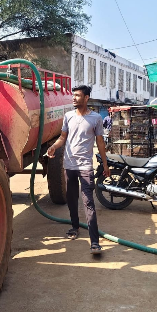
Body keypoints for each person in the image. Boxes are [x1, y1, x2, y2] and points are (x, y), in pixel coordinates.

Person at [47, 85, 110, 254]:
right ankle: (75, 227)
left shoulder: (96, 118)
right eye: (73, 95)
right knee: (72, 198)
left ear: (86, 98)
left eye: (77, 95)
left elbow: (100, 142)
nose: (73, 98)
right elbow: (62, 138)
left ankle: (95, 242)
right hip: (69, 164)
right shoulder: (68, 116)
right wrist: (53, 147)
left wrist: (105, 164)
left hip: (85, 166)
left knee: (88, 202)